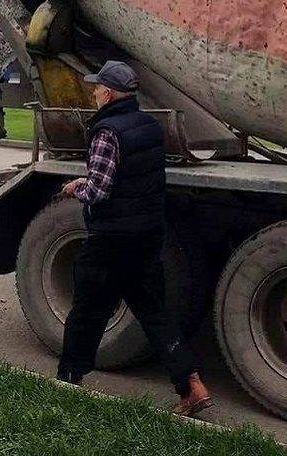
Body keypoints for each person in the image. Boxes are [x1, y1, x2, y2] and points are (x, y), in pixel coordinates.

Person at [57, 60, 213, 417]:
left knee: (86, 313)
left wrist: (73, 186)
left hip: (110, 239)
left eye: (97, 88)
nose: (94, 92)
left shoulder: (107, 132)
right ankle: (191, 385)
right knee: (154, 311)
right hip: (146, 236)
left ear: (109, 93)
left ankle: (67, 381)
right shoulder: (149, 125)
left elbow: (98, 189)